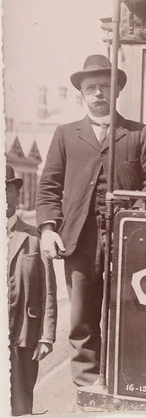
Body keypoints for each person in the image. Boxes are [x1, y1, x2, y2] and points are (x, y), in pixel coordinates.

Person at [36, 54, 146, 386]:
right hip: (80, 239)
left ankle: (124, 379)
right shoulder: (66, 135)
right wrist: (49, 228)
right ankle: (87, 386)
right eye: (91, 88)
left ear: (117, 91)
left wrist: (135, 215)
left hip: (126, 238)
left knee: (127, 310)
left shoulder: (138, 134)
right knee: (82, 316)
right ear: (81, 92)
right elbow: (49, 185)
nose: (97, 94)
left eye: (104, 87)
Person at [7, 165, 57, 415]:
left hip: (24, 336)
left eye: (7, 189)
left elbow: (48, 290)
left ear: (17, 194)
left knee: (21, 403)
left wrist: (46, 336)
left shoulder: (34, 237)